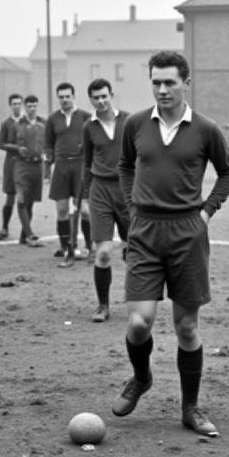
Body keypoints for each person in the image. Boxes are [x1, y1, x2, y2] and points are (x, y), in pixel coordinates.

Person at [112, 51, 229, 437]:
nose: (162, 89)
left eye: (169, 82)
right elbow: (125, 166)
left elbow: (228, 171)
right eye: (156, 82)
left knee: (186, 327)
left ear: (187, 83)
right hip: (145, 232)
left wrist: (205, 212)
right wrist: (133, 207)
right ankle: (141, 377)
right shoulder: (135, 124)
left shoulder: (205, 129)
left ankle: (190, 408)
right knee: (138, 323)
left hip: (187, 233)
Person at [81, 78, 130, 322]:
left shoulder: (130, 121)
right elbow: (87, 164)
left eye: (104, 96)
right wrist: (83, 198)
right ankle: (103, 306)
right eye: (96, 98)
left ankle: (137, 300)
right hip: (100, 191)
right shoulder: (88, 127)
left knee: (135, 252)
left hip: (128, 190)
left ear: (112, 95)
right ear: (90, 100)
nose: (101, 101)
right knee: (102, 254)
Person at [45, 82, 91, 267]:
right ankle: (66, 247)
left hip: (80, 164)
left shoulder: (86, 117)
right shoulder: (53, 119)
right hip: (61, 165)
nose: (64, 100)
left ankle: (89, 246)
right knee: (62, 209)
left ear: (73, 96)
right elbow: (46, 145)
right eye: (61, 97)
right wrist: (46, 164)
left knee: (85, 210)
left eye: (67, 96)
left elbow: (93, 142)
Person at [12, 95, 47, 247]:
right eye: (29, 106)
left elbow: (47, 146)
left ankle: (23, 235)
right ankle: (30, 235)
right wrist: (17, 148)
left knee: (30, 202)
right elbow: (3, 144)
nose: (32, 109)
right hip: (21, 165)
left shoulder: (44, 124)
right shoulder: (16, 124)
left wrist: (47, 165)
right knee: (21, 199)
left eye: (34, 106)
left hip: (37, 166)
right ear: (24, 108)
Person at [0, 93, 24, 240]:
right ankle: (4, 227)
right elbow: (0, 144)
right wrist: (16, 148)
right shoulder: (6, 124)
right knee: (10, 197)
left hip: (26, 165)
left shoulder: (28, 122)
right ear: (10, 106)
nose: (17, 106)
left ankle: (26, 230)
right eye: (14, 104)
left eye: (19, 103)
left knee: (26, 198)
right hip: (11, 164)